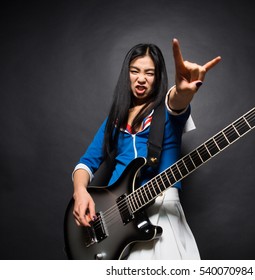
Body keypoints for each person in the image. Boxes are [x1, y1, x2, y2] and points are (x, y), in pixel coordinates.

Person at [71, 38, 221, 259]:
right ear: (127, 74)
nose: (141, 79)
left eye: (149, 73)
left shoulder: (166, 112)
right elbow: (86, 163)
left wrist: (184, 91)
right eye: (135, 71)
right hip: (114, 222)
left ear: (158, 77)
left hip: (161, 213)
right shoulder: (114, 120)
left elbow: (177, 100)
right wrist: (80, 191)